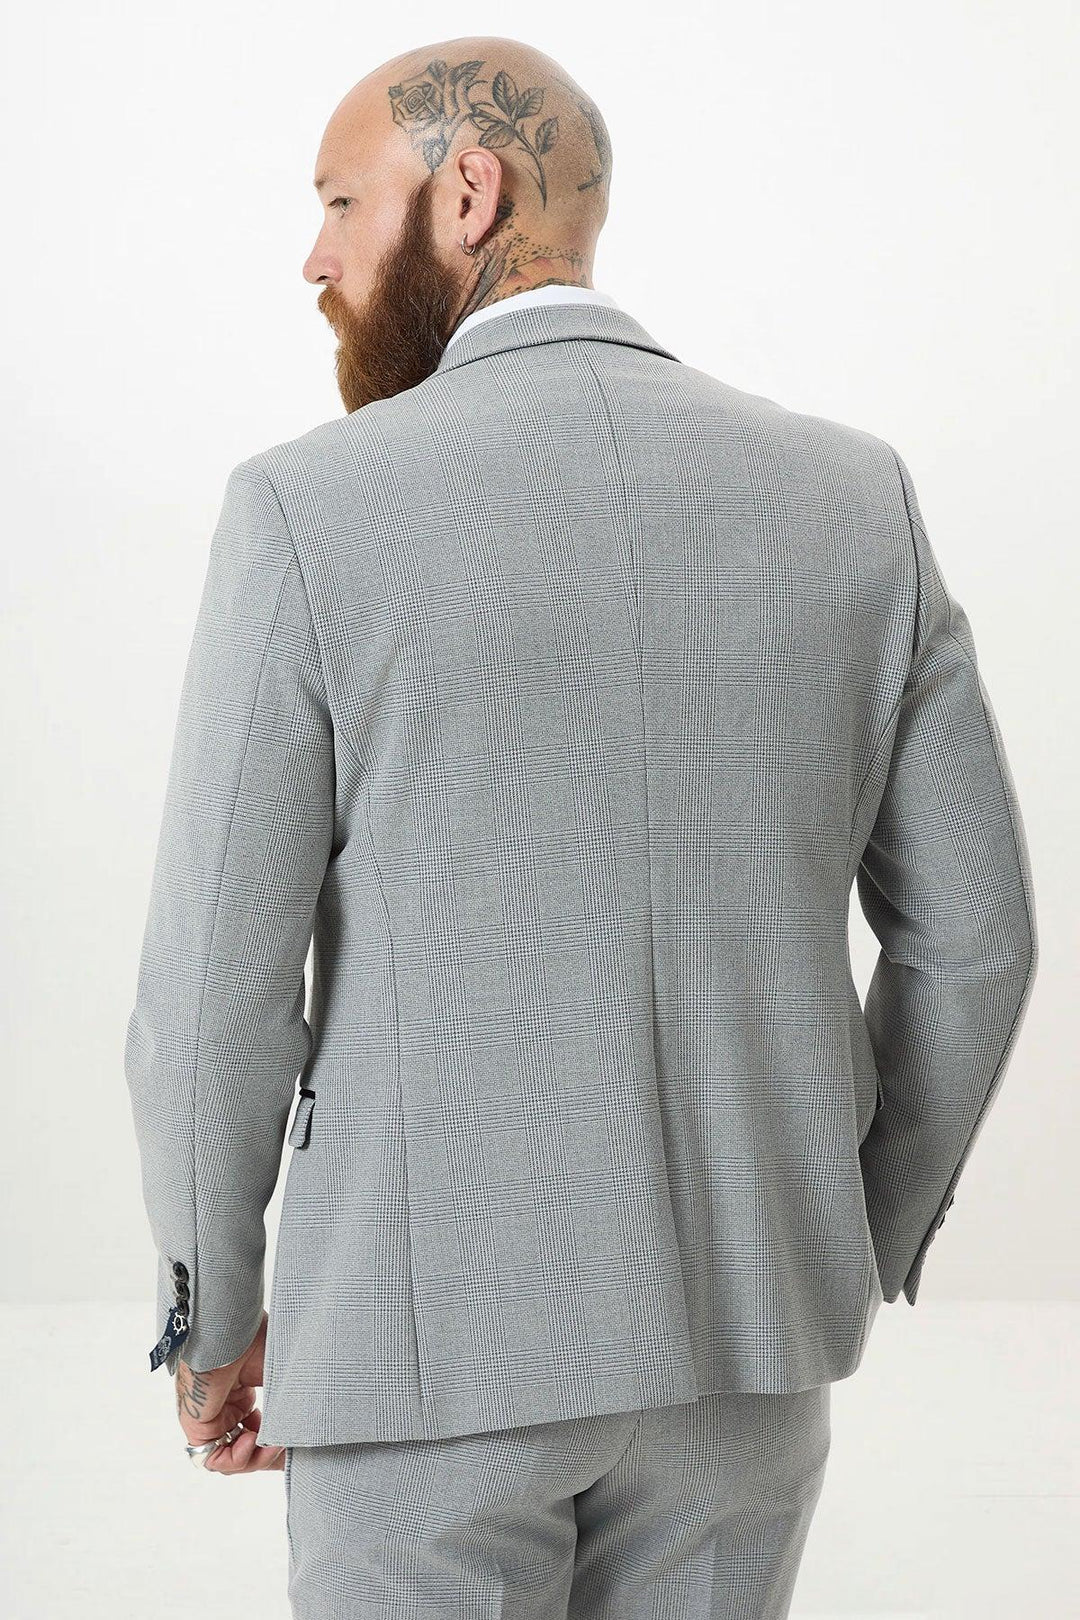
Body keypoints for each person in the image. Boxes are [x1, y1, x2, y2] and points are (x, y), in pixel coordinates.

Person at [124, 32, 1039, 1618]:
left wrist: (210, 1321)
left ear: (466, 192)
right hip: (748, 1365)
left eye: (339, 203)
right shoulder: (853, 499)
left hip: (422, 1368)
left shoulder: (304, 510)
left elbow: (213, 995)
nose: (315, 259)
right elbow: (976, 946)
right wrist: (829, 1237)